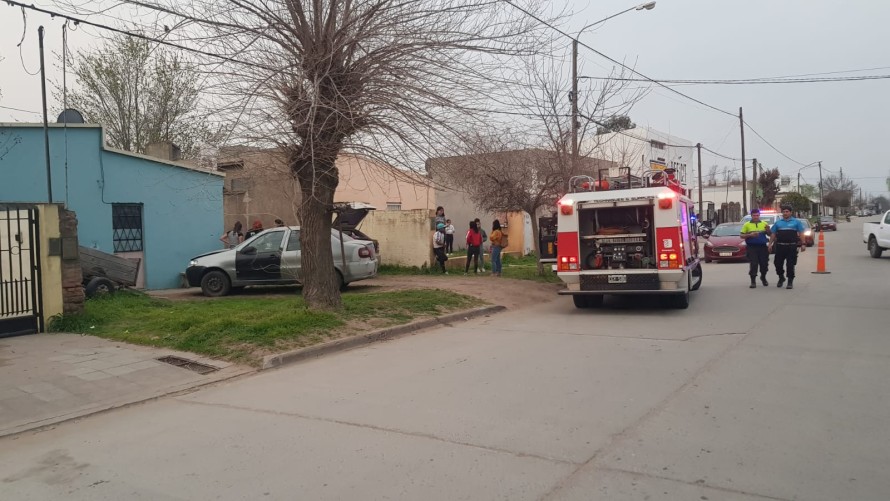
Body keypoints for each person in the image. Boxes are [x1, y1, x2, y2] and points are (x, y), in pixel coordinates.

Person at [769, 204, 807, 289]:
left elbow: (801, 233)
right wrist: (770, 244)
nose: (785, 213)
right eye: (784, 212)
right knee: (777, 264)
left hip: (791, 246)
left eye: (787, 211)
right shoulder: (778, 223)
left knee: (790, 265)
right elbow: (773, 234)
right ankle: (781, 277)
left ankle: (790, 281)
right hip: (780, 246)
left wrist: (803, 244)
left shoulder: (796, 222)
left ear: (790, 212)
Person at [740, 209, 771, 288]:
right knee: (753, 264)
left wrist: (768, 230)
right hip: (751, 247)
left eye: (757, 215)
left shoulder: (764, 223)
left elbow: (770, 234)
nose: (756, 217)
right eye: (754, 215)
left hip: (762, 247)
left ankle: (763, 277)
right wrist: (750, 235)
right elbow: (741, 235)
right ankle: (753, 281)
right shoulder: (747, 224)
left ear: (759, 215)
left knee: (764, 264)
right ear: (751, 216)